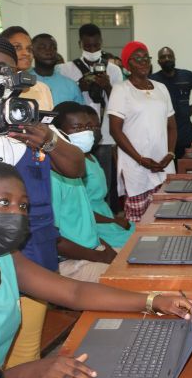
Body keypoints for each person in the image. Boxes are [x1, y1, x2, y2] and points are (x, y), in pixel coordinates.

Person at [0, 160, 192, 378]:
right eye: (3, 203)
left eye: (23, 206)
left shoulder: (6, 258)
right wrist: (29, 373)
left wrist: (154, 301)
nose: (16, 214)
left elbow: (73, 292)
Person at [0, 27, 85, 368]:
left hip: (35, 255)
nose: (6, 79)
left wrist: (49, 143)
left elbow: (75, 168)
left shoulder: (24, 116)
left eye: (12, 72)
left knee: (25, 356)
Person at [50, 101, 124, 282]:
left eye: (87, 127)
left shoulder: (75, 170)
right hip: (71, 262)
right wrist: (101, 257)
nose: (86, 133)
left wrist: (107, 252)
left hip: (92, 251)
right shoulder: (52, 177)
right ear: (57, 131)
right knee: (139, 283)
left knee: (142, 261)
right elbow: (56, 241)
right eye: (77, 128)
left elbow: (88, 228)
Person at [108, 41, 176, 222]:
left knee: (166, 213)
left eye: (146, 58)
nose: (143, 62)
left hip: (163, 162)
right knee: (139, 219)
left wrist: (170, 154)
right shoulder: (121, 90)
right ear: (127, 65)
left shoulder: (161, 88)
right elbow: (115, 130)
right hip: (135, 164)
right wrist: (140, 159)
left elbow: (171, 126)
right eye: (137, 59)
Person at [59, 23, 124, 213]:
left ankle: (106, 217)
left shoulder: (114, 70)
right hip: (74, 134)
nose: (92, 50)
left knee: (103, 181)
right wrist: (79, 87)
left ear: (101, 42)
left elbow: (120, 105)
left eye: (96, 46)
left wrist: (107, 87)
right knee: (73, 178)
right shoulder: (67, 70)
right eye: (87, 46)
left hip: (102, 135)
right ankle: (79, 216)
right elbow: (64, 103)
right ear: (80, 43)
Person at [83, 104, 135, 247]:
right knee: (138, 242)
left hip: (107, 218)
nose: (94, 132)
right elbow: (81, 213)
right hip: (95, 225)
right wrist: (113, 221)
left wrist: (113, 219)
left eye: (97, 126)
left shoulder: (92, 158)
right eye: (88, 127)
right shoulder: (74, 166)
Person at [149, 46, 192, 160]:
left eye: (169, 56)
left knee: (184, 168)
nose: (167, 59)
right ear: (158, 62)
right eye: (163, 57)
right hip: (163, 133)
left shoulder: (186, 75)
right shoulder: (153, 80)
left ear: (174, 59)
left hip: (184, 132)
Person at [0, 26, 53, 111]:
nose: (27, 53)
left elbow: (48, 121)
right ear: (2, 50)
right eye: (17, 47)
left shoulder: (43, 89)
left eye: (29, 49)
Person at [31, 33, 84, 106]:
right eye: (43, 47)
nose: (49, 52)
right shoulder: (23, 81)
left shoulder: (71, 86)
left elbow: (80, 114)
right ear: (32, 52)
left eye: (53, 48)